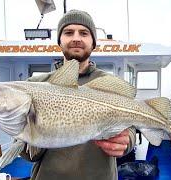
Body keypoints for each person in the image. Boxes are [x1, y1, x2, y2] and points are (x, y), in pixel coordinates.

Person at [20, 9, 136, 180]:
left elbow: (131, 123)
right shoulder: (34, 85)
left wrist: (128, 141)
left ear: (93, 42)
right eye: (68, 32)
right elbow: (30, 155)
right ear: (59, 40)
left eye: (83, 33)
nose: (76, 38)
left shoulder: (110, 84)